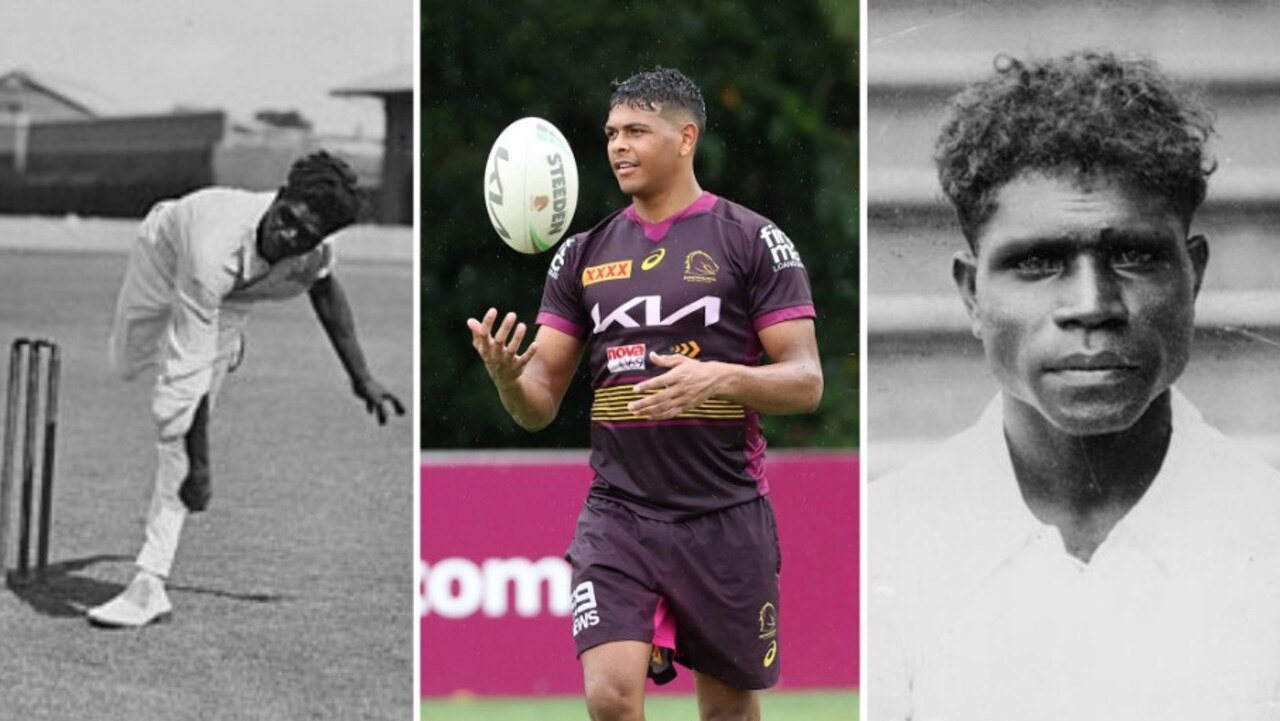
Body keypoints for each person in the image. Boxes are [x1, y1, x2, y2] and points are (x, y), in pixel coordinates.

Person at [869, 51, 1280, 720]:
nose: (1093, 304)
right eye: (1038, 262)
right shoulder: (887, 544)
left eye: (1135, 255)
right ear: (973, 294)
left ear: (1193, 274)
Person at [468, 67, 823, 721]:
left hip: (725, 514)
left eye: (637, 130)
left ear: (686, 138)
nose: (618, 146)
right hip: (619, 514)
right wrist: (509, 376)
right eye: (611, 132)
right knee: (609, 695)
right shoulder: (581, 253)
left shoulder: (752, 240)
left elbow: (805, 380)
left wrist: (719, 376)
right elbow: (538, 401)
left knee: (727, 710)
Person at [87, 151, 404, 628]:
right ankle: (225, 350)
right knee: (127, 364)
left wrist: (362, 377)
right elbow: (188, 377)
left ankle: (148, 584)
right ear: (278, 198)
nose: (290, 237)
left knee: (174, 433)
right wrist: (203, 469)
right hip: (166, 257)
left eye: (306, 235)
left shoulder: (312, 249)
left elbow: (323, 288)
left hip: (232, 298)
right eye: (288, 220)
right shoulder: (212, 240)